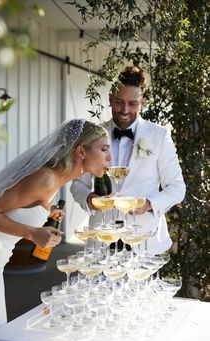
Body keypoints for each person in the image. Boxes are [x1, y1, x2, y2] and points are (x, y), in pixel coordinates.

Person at [0, 119, 110, 341]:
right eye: (104, 149)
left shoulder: (55, 180)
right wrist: (32, 232)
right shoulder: (46, 179)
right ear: (81, 151)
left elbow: (14, 207)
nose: (110, 158)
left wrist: (44, 213)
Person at [70, 67, 186, 254]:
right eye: (119, 102)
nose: (124, 110)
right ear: (109, 100)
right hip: (101, 239)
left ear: (143, 103)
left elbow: (177, 188)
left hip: (145, 240)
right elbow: (77, 183)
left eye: (132, 104)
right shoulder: (92, 135)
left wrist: (148, 204)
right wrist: (88, 198)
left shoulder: (159, 136)